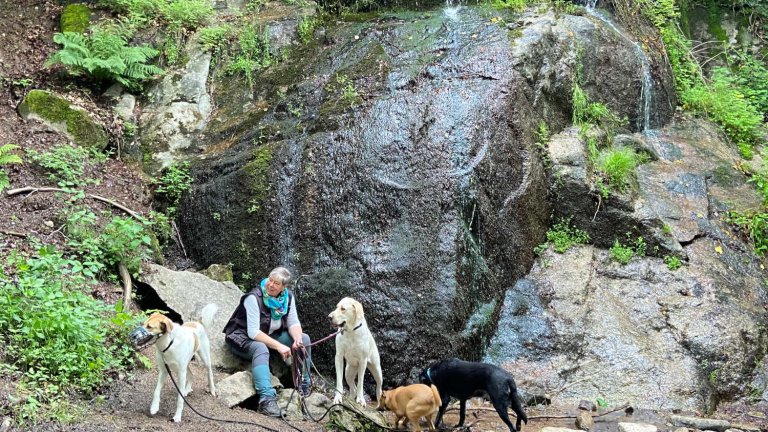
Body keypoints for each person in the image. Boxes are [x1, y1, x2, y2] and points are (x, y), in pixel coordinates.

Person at [223, 267, 312, 417]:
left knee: (304, 339)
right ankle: (266, 399)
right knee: (261, 348)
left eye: (276, 283)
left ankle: (304, 381)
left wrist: (296, 338)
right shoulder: (253, 298)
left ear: (283, 287)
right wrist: (279, 346)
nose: (270, 285)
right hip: (241, 337)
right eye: (270, 280)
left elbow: (293, 323)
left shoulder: (288, 297)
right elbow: (253, 332)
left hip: (269, 335)